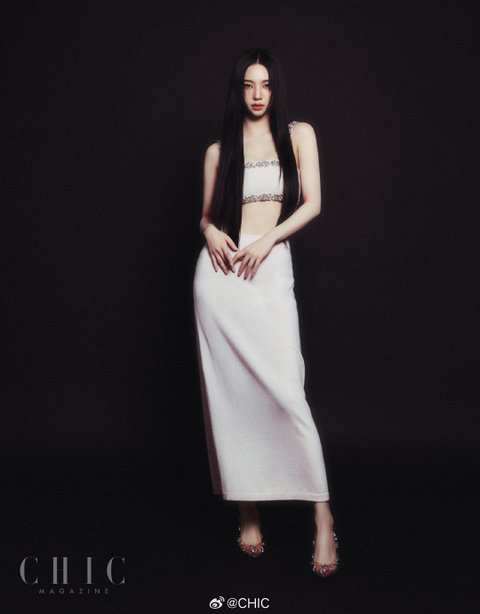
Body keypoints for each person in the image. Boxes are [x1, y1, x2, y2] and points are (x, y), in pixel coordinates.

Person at [193, 47, 339, 577]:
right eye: (249, 85)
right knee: (230, 396)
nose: (258, 94)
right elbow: (206, 218)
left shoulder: (298, 135)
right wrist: (211, 232)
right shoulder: (219, 150)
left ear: (276, 89)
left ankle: (322, 517)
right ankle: (247, 511)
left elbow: (313, 203)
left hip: (269, 268)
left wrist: (268, 240)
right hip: (221, 279)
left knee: (287, 391)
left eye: (266, 85)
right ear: (239, 90)